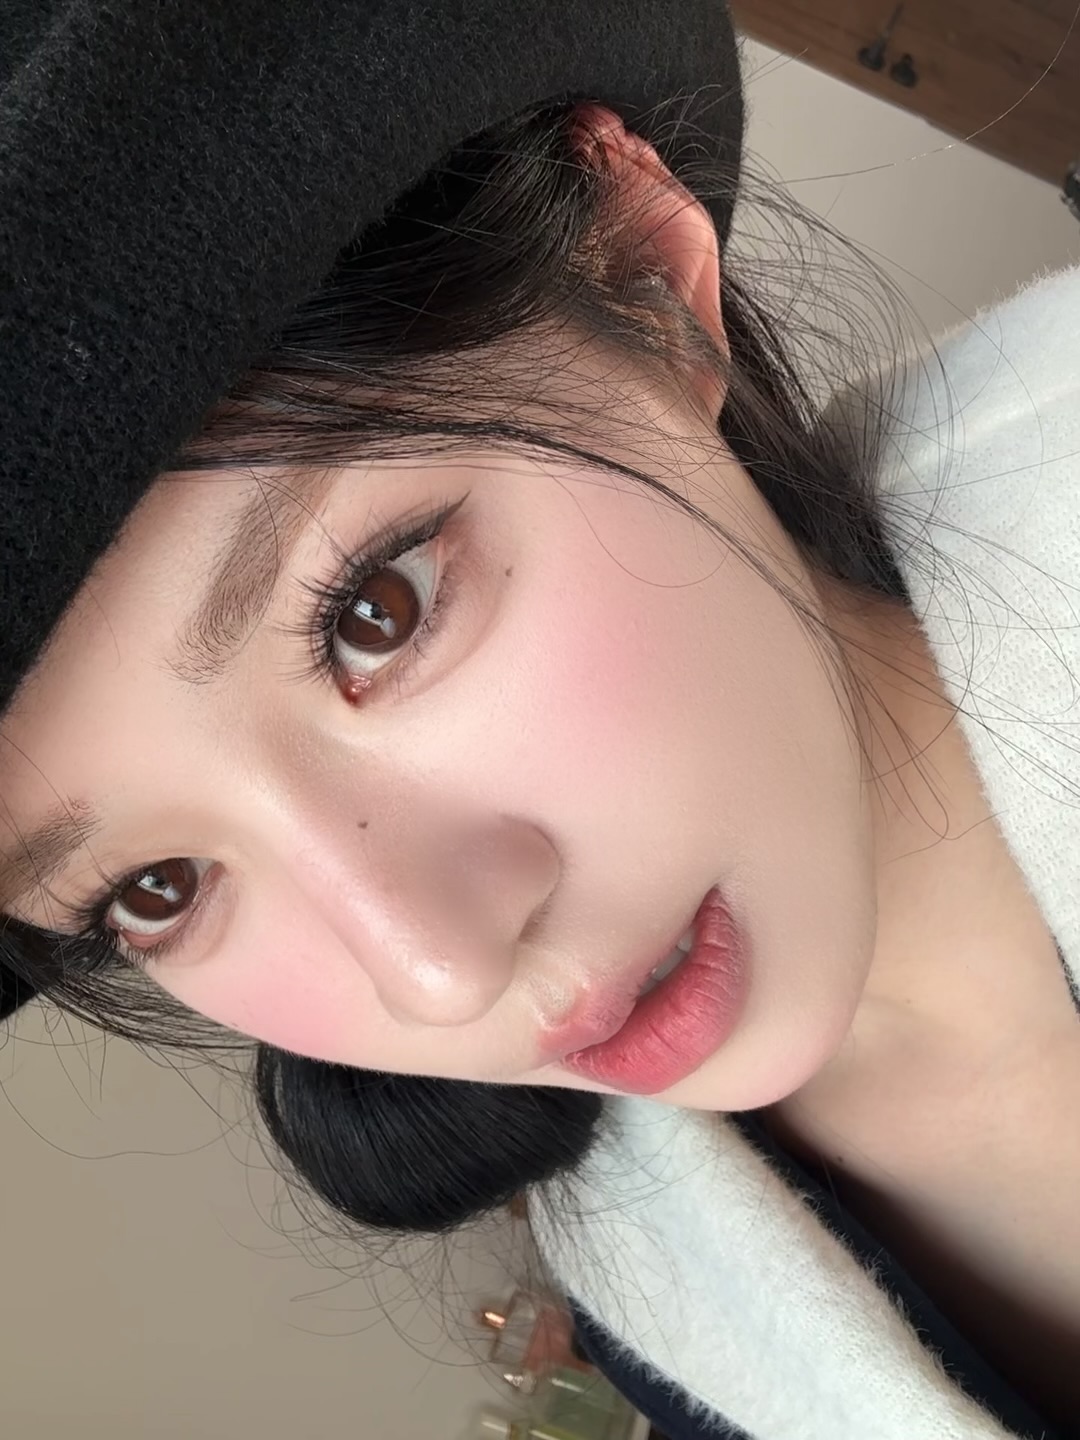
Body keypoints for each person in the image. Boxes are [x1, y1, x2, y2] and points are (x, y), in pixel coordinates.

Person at [1, 4, 1078, 1437]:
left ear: (641, 276)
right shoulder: (674, 1334)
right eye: (157, 887)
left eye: (376, 610)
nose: (441, 972)